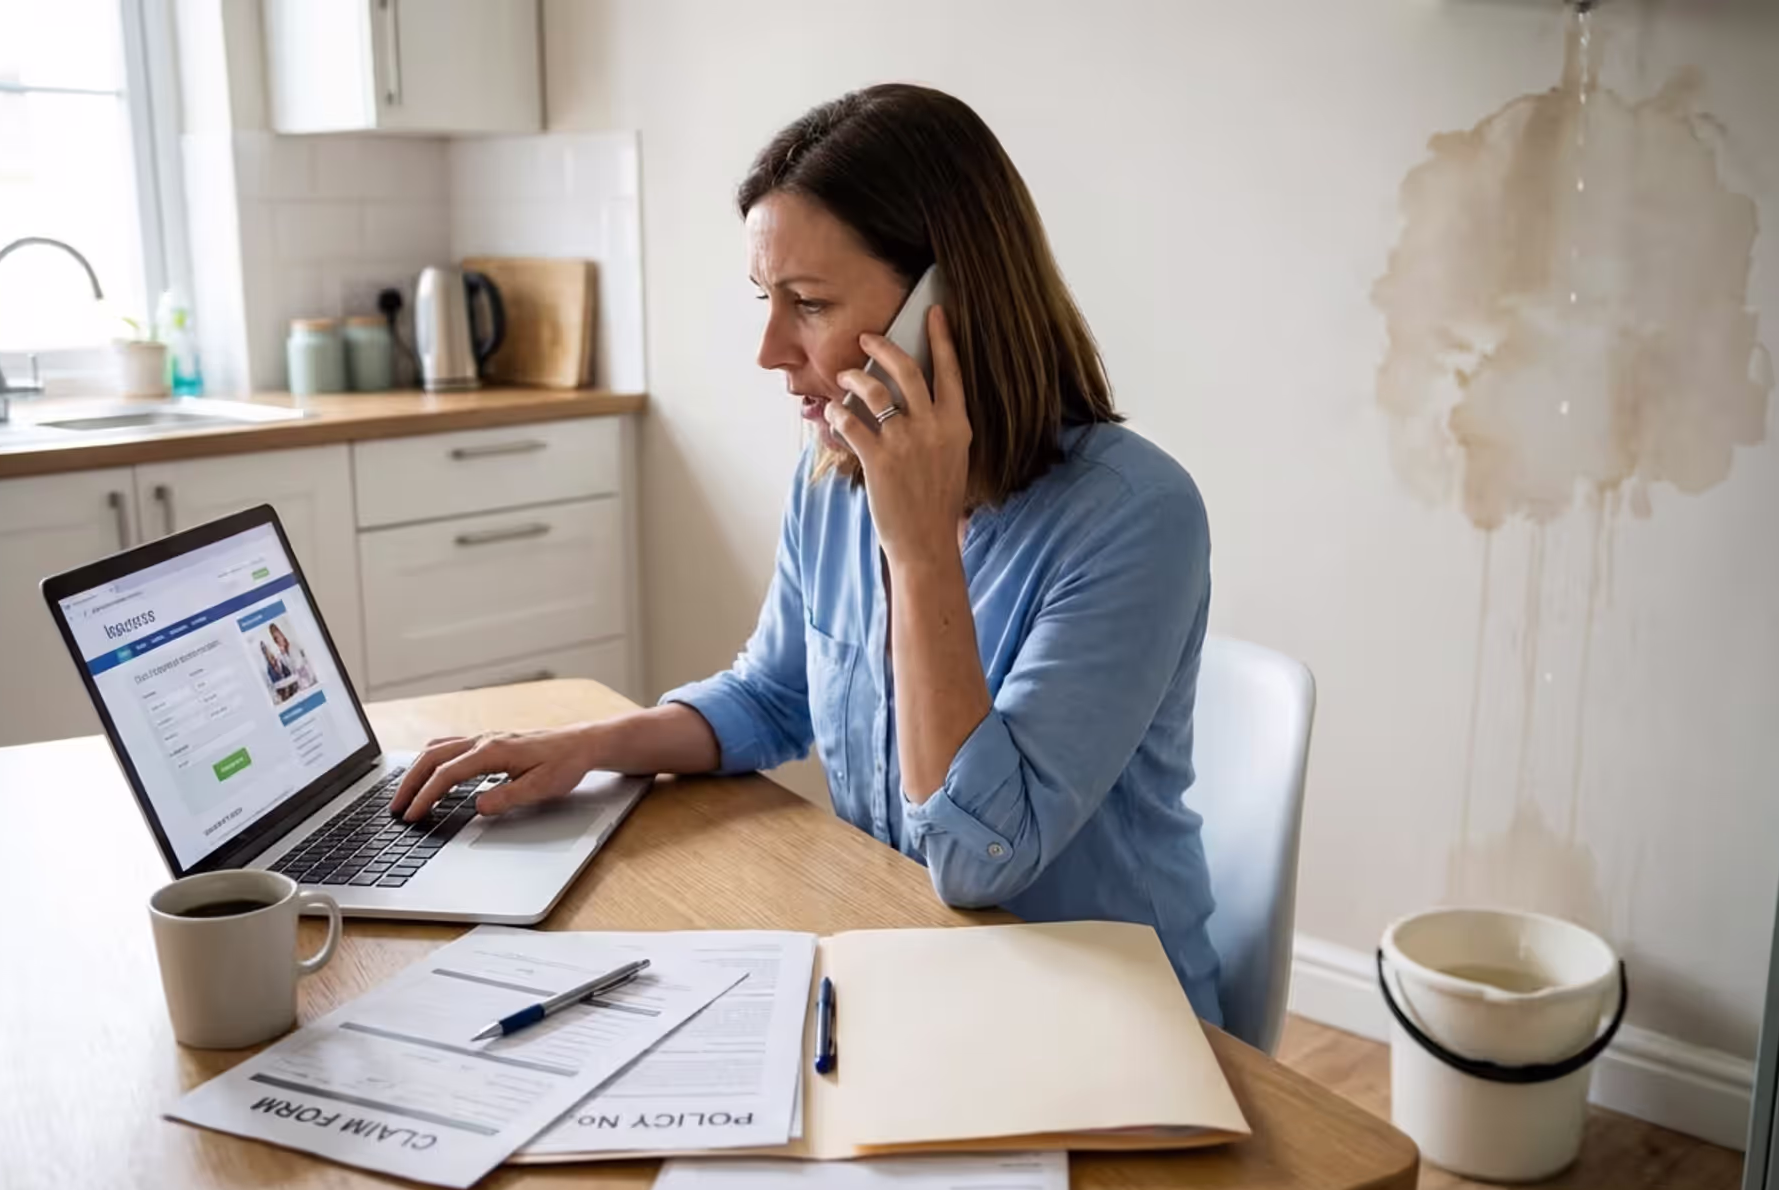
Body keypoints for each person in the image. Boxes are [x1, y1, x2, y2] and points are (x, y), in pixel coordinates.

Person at [388, 84, 1223, 1024]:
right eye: (765, 299)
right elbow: (776, 693)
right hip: (910, 965)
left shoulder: (1135, 516)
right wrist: (589, 747)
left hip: (1106, 1011)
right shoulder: (834, 468)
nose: (770, 349)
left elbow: (980, 858)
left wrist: (918, 553)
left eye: (810, 304)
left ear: (949, 305)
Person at [269, 621, 316, 689]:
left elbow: (296, 674)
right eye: (275, 639)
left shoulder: (293, 647)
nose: (277, 641)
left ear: (283, 634)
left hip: (311, 682)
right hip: (303, 685)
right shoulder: (283, 655)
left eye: (278, 637)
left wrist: (278, 685)